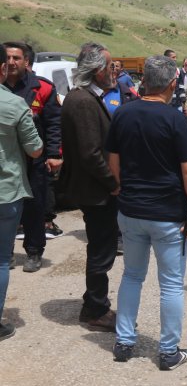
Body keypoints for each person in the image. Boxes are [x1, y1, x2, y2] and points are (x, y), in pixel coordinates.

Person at [107, 55, 187, 370]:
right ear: (173, 84)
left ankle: (124, 341)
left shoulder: (122, 114)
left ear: (143, 80)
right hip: (166, 214)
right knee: (171, 283)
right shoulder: (175, 120)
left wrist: (122, 189)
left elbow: (114, 162)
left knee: (132, 275)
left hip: (131, 210)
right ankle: (168, 351)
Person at [58, 43, 121, 331]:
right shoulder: (83, 101)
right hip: (96, 191)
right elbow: (90, 154)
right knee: (101, 250)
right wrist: (113, 184)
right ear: (97, 72)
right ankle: (95, 309)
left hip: (94, 188)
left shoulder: (85, 97)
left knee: (101, 246)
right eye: (109, 67)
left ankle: (93, 301)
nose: (113, 72)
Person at [3, 41, 61, 273]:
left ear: (26, 62)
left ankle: (34, 251)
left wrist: (55, 154)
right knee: (5, 206)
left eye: (16, 58)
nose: (11, 62)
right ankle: (5, 251)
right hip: (6, 159)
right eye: (7, 58)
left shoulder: (43, 88)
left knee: (35, 206)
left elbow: (54, 124)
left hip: (34, 158)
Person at [0, 43, 44, 342]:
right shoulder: (14, 105)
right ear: (2, 67)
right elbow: (35, 148)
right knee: (2, 260)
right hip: (6, 192)